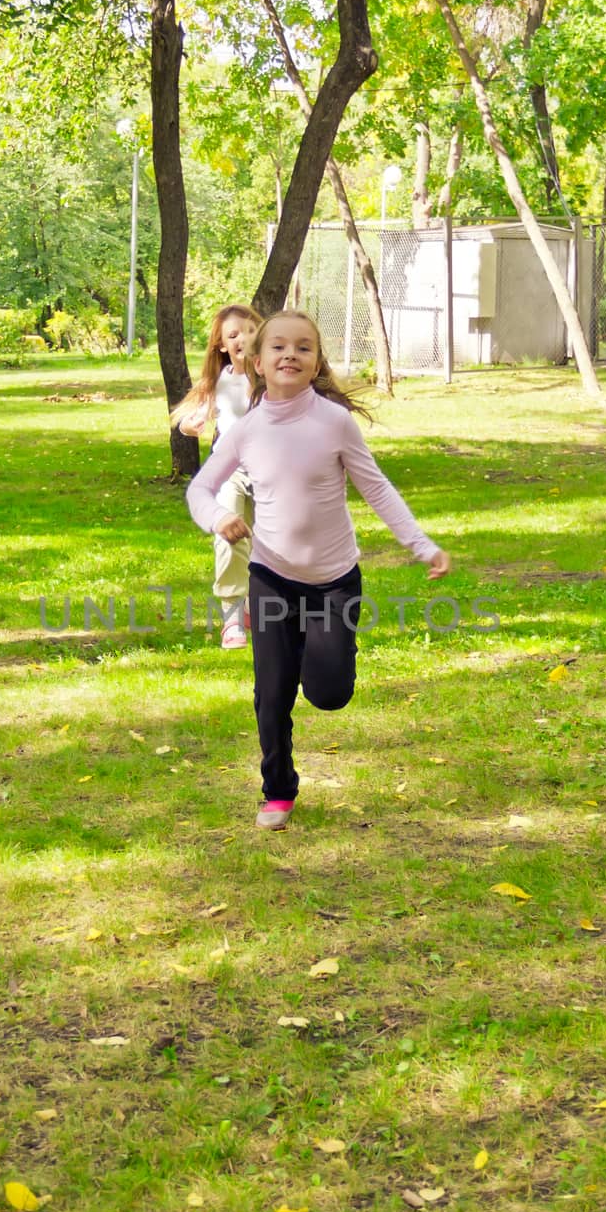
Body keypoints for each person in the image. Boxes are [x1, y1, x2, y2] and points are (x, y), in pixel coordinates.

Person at [187, 309, 450, 829]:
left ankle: (315, 651)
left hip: (333, 581)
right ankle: (277, 790)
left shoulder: (333, 421)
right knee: (272, 692)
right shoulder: (246, 431)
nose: (290, 354)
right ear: (256, 362)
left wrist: (422, 546)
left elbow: (376, 487)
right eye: (279, 347)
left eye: (303, 348)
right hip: (271, 577)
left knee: (329, 694)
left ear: (315, 363)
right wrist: (219, 517)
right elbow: (199, 489)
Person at [171, 304, 262, 649]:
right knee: (229, 534)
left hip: (272, 473)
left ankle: (262, 605)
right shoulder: (220, 380)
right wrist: (189, 424)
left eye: (250, 330)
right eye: (233, 335)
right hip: (231, 470)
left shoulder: (275, 376)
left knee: (266, 542)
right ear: (222, 346)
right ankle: (233, 616)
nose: (243, 338)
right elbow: (192, 415)